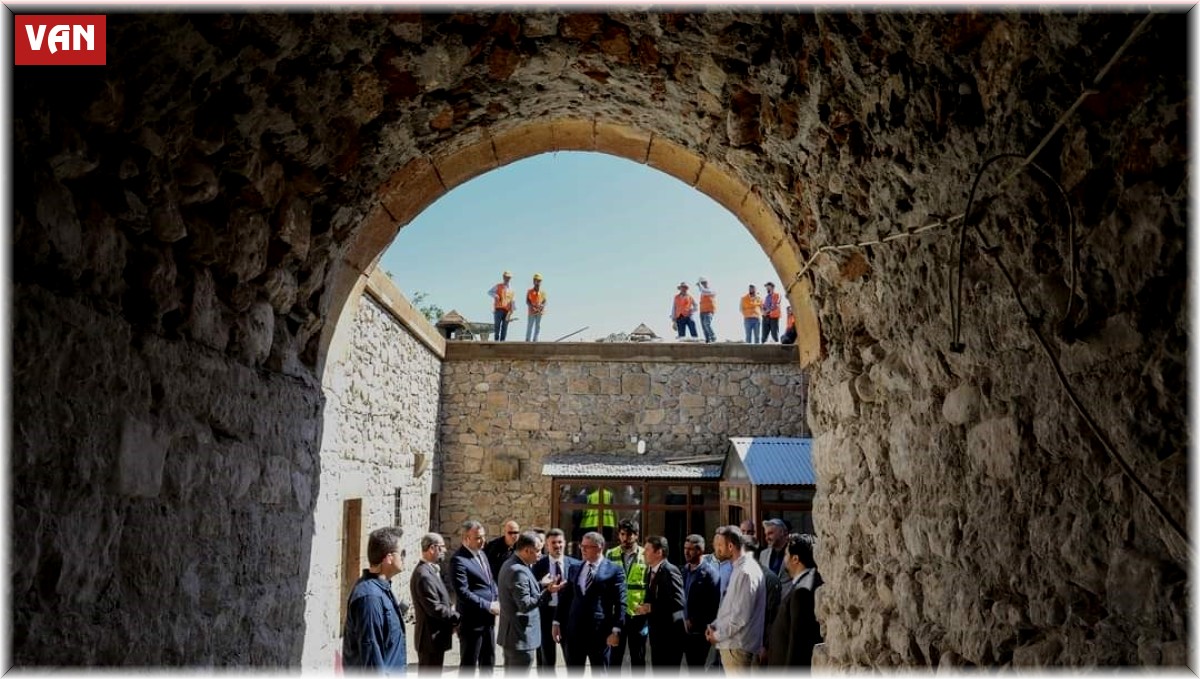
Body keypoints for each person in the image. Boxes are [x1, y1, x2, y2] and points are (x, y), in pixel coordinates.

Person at [553, 531, 626, 671]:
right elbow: (566, 597)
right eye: (582, 546)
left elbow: (620, 602)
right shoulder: (575, 568)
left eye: (587, 546)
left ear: (599, 547)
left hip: (600, 633)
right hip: (574, 632)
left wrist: (616, 630)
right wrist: (556, 622)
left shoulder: (614, 570)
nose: (583, 549)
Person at [498, 531, 566, 672]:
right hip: (520, 638)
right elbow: (525, 605)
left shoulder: (512, 564)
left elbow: (520, 591)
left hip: (513, 637)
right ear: (527, 550)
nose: (540, 554)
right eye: (537, 551)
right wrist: (548, 592)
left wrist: (541, 584)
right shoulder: (518, 571)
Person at [343, 527, 408, 673]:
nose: (404, 558)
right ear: (389, 558)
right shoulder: (370, 598)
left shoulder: (381, 588)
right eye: (402, 553)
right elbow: (372, 661)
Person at [704, 526, 765, 672]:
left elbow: (740, 617)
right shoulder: (739, 568)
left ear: (730, 546)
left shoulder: (745, 571)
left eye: (719, 545)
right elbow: (730, 607)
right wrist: (715, 625)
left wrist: (717, 635)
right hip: (734, 647)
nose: (715, 549)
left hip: (738, 649)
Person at [765, 534, 823, 669]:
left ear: (795, 559)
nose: (784, 560)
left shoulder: (802, 591)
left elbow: (799, 642)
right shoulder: (807, 583)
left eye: (786, 555)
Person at [450, 520, 500, 673]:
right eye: (478, 538)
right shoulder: (458, 560)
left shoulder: (482, 554)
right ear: (466, 538)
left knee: (488, 662)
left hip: (488, 621)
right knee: (469, 665)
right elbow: (463, 593)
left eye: (483, 536)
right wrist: (488, 605)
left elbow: (489, 581)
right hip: (472, 623)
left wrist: (496, 597)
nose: (483, 541)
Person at [410, 532, 460, 673]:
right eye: (442, 547)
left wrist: (450, 607)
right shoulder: (423, 575)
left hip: (435, 640)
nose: (444, 551)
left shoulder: (429, 571)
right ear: (432, 548)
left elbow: (440, 599)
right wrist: (456, 617)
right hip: (429, 641)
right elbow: (434, 608)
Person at [532, 528, 580, 671]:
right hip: (545, 615)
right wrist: (543, 585)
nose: (557, 545)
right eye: (553, 543)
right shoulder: (538, 565)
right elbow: (532, 590)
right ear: (547, 545)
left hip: (568, 615)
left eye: (560, 542)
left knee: (572, 658)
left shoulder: (575, 564)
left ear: (565, 543)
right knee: (547, 660)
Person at [638, 536, 685, 670]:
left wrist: (651, 607)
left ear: (659, 552)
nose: (643, 553)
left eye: (647, 550)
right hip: (657, 636)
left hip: (670, 637)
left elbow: (678, 603)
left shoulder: (670, 570)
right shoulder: (651, 571)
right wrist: (644, 606)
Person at [607, 519, 649, 670]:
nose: (626, 538)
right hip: (617, 615)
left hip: (638, 616)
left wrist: (647, 607)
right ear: (619, 535)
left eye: (630, 535)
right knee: (614, 659)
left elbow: (650, 584)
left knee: (638, 658)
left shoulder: (646, 555)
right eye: (623, 534)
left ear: (636, 535)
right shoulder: (611, 555)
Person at [680, 535, 720, 671]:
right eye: (685, 548)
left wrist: (694, 620)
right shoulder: (684, 570)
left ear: (700, 551)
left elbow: (713, 605)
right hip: (682, 628)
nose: (686, 552)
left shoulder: (710, 573)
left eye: (690, 549)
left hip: (699, 632)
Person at [488, 271, 515, 341]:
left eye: (509, 277)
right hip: (498, 309)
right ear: (503, 277)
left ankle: (502, 341)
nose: (507, 279)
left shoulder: (511, 289)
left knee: (505, 327)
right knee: (497, 326)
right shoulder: (498, 286)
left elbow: (512, 300)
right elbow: (489, 292)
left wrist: (512, 310)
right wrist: (496, 295)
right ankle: (496, 340)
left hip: (507, 311)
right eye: (506, 277)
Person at [525, 273, 547, 342]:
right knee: (530, 326)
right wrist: (532, 307)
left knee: (538, 326)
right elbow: (527, 301)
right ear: (534, 281)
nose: (538, 282)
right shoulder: (530, 291)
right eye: (536, 280)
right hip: (531, 312)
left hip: (539, 312)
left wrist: (542, 306)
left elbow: (544, 301)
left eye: (539, 281)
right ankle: (528, 340)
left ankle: (535, 340)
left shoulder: (543, 292)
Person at [696, 277, 717, 343]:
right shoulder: (702, 292)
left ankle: (713, 336)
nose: (703, 284)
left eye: (704, 283)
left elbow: (704, 292)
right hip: (702, 311)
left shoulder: (711, 290)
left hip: (709, 311)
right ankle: (708, 340)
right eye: (702, 283)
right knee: (704, 327)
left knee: (707, 324)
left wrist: (699, 285)